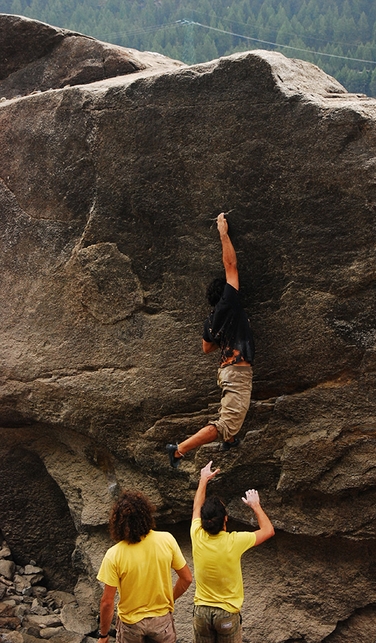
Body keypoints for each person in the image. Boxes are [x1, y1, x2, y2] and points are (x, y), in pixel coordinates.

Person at [166, 212, 255, 468]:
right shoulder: (230, 302)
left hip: (227, 370)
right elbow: (231, 267)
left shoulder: (211, 320)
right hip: (237, 371)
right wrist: (223, 234)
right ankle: (179, 450)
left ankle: (230, 438)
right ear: (224, 294)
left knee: (232, 416)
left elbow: (206, 347)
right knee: (225, 424)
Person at [190, 461, 275, 643]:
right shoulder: (235, 541)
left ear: (204, 521)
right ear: (225, 519)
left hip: (202, 612)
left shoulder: (196, 534)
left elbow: (196, 507)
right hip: (226, 614)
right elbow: (268, 530)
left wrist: (203, 479)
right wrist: (255, 505)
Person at [96, 489, 192, 643]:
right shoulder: (167, 540)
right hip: (162, 621)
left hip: (131, 625)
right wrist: (169, 600)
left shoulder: (114, 554)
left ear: (118, 521)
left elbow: (107, 602)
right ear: (147, 514)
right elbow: (187, 578)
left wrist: (103, 635)